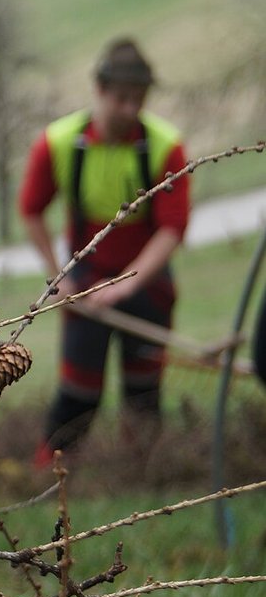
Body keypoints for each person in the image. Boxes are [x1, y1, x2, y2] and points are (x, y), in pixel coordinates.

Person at [19, 38, 190, 466]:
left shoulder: (166, 146)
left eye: (139, 99)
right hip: (84, 284)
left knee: (144, 394)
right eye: (122, 99)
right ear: (99, 89)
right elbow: (31, 210)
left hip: (148, 285)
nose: (131, 109)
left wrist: (124, 286)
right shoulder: (57, 143)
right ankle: (52, 474)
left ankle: (141, 474)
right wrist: (59, 278)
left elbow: (172, 229)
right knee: (77, 393)